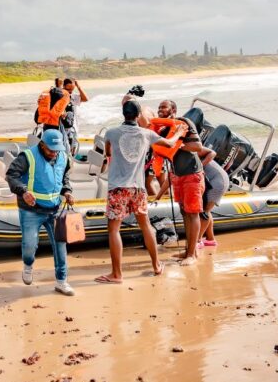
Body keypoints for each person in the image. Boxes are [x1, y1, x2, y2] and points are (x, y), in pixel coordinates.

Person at [96, 100, 173, 283]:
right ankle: (156, 266)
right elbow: (169, 144)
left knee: (114, 230)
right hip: (138, 188)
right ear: (138, 116)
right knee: (145, 225)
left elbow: (107, 149)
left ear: (123, 114)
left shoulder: (112, 133)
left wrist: (109, 156)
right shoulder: (147, 134)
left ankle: (117, 274)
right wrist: (178, 132)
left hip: (118, 188)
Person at [5, 129, 77, 296]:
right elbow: (11, 175)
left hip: (55, 210)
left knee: (60, 246)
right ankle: (28, 265)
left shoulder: (63, 158)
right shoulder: (27, 157)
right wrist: (23, 191)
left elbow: (63, 178)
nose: (54, 153)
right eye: (51, 149)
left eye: (56, 150)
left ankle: (61, 281)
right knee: (30, 246)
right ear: (42, 145)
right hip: (31, 210)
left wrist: (67, 191)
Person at [154, 100, 213, 265]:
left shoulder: (184, 123)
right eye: (159, 107)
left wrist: (176, 145)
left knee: (193, 213)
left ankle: (192, 255)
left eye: (163, 107)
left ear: (173, 110)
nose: (160, 110)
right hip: (177, 176)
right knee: (185, 212)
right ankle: (188, 251)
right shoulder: (164, 129)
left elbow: (197, 146)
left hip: (192, 174)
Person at [199, 152, 229, 248]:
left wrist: (200, 165)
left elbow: (212, 153)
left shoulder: (194, 148)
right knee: (207, 210)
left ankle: (198, 240)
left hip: (218, 181)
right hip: (215, 179)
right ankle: (210, 239)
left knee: (205, 211)